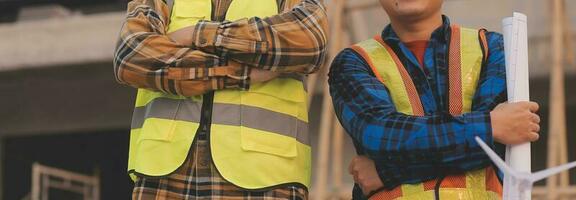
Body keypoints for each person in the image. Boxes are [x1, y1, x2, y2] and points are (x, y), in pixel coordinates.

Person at [113, 0, 327, 199]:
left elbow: (310, 40)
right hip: (162, 176)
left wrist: (198, 35)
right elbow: (130, 54)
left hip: (265, 178)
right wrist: (237, 72)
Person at [328, 0, 540, 199]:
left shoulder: (493, 48)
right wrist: (490, 125)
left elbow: (493, 147)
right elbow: (382, 137)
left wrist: (386, 171)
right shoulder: (353, 63)